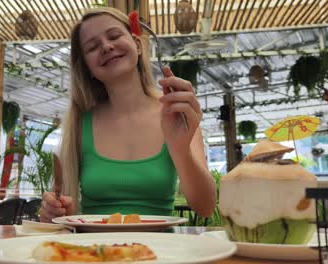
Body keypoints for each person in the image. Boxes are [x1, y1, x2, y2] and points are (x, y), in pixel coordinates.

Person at [39, 7, 216, 223]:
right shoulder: (79, 124)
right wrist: (54, 211)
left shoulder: (177, 112)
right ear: (88, 69)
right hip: (93, 252)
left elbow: (205, 207)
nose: (106, 46)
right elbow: (62, 211)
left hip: (162, 253)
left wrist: (180, 148)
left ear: (138, 45)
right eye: (92, 47)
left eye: (114, 36)